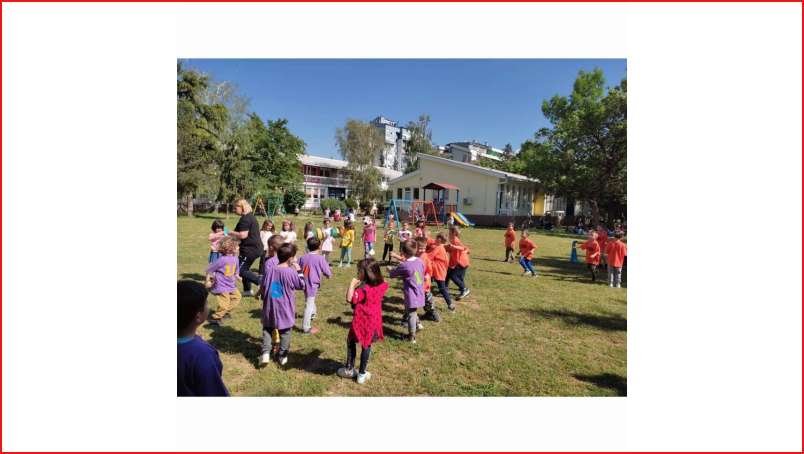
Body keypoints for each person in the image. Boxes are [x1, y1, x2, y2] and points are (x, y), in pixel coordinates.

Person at [336, 259, 388, 385]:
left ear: (365, 273)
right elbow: (384, 284)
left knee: (351, 341)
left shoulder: (363, 290)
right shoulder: (381, 285)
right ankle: (362, 374)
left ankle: (349, 369)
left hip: (360, 322)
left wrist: (352, 285)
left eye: (359, 271)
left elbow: (350, 299)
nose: (357, 273)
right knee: (367, 345)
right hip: (374, 321)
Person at [177, 280, 229, 396]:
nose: (208, 306)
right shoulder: (203, 355)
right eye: (206, 303)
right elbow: (214, 392)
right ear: (198, 316)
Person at [260, 243, 305, 366]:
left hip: (270, 305)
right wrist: (299, 270)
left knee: (268, 328)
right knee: (285, 331)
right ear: (290, 259)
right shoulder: (291, 272)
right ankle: (282, 355)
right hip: (285, 306)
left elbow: (264, 285)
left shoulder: (270, 270)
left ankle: (265, 353)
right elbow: (302, 285)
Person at [389, 240, 425, 343]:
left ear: (403, 252)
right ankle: (418, 324)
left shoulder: (405, 265)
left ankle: (412, 336)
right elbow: (417, 273)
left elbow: (392, 274)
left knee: (411, 313)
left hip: (412, 294)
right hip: (420, 291)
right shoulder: (419, 261)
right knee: (411, 310)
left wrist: (389, 269)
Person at [228, 199, 264, 298]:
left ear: (242, 207)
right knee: (245, 268)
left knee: (240, 270)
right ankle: (247, 290)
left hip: (250, 249)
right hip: (253, 248)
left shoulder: (246, 219)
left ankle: (262, 282)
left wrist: (229, 232)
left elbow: (243, 235)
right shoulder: (249, 217)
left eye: (235, 207)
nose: (234, 210)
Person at [298, 236, 332, 334]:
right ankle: (306, 327)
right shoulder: (320, 258)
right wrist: (328, 274)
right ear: (319, 247)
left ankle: (313, 314)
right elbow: (327, 271)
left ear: (308, 246)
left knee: (309, 299)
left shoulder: (302, 257)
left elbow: (297, 268)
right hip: (312, 284)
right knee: (309, 303)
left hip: (303, 282)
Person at [205, 237, 242, 325]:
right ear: (230, 248)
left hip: (231, 284)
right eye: (237, 246)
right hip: (221, 285)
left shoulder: (236, 259)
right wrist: (208, 280)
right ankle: (216, 318)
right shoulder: (222, 260)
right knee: (224, 303)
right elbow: (209, 270)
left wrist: (238, 276)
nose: (239, 247)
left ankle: (225, 312)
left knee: (237, 297)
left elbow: (236, 270)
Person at [416, 236, 440, 322]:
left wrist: (428, 275)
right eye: (419, 248)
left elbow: (430, 269)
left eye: (423, 248)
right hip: (417, 282)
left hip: (425, 284)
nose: (422, 250)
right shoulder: (414, 257)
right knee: (419, 299)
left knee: (428, 300)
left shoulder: (425, 257)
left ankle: (433, 314)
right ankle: (426, 313)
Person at [430, 233, 455, 312]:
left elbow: (430, 257)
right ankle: (426, 301)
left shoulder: (439, 248)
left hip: (439, 271)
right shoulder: (441, 247)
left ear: (439, 239)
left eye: (436, 238)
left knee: (442, 288)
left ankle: (450, 305)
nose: (435, 239)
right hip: (438, 271)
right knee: (428, 284)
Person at [445, 226, 471, 300]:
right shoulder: (453, 240)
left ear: (453, 233)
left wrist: (453, 246)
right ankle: (445, 288)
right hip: (460, 262)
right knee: (452, 274)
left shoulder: (455, 240)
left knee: (453, 276)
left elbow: (463, 248)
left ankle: (464, 289)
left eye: (449, 232)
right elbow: (453, 250)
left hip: (461, 262)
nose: (448, 234)